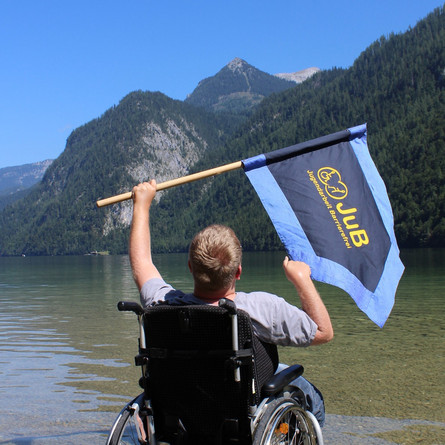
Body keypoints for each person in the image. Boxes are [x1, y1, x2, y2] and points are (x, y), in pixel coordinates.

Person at [129, 180, 334, 427]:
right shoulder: (260, 309)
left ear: (190, 267)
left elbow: (141, 263)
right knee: (311, 396)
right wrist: (302, 280)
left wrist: (141, 206)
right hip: (237, 411)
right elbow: (323, 332)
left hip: (183, 407)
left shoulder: (162, 304)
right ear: (238, 272)